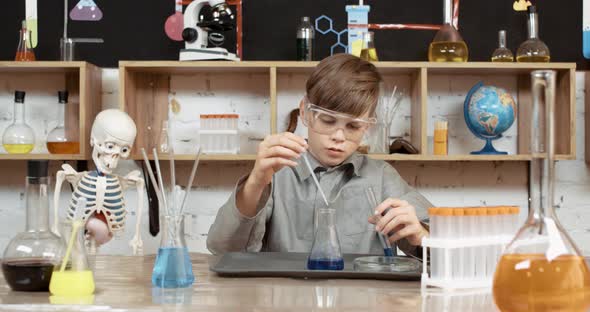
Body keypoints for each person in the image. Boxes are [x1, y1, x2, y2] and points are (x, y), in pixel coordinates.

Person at [207, 54, 432, 257]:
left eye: (353, 126)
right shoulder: (277, 172)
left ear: (368, 126)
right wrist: (256, 181)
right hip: (284, 300)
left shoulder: (381, 177)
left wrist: (422, 235)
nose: (338, 136)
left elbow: (447, 252)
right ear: (305, 112)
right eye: (327, 120)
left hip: (363, 301)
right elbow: (222, 249)